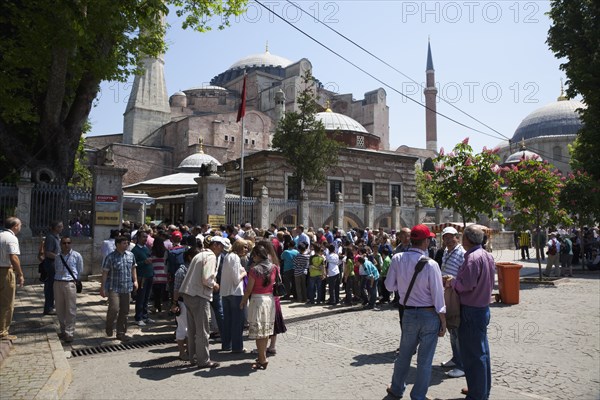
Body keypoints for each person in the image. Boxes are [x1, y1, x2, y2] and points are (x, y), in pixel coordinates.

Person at [384, 224, 446, 400]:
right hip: (429, 315)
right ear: (425, 241)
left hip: (409, 313)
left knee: (404, 355)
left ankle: (396, 388)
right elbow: (438, 295)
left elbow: (389, 286)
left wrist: (402, 287)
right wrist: (443, 320)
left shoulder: (397, 258)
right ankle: (418, 395)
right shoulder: (432, 264)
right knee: (424, 360)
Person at [445, 225, 495, 400]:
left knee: (473, 355)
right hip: (482, 309)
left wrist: (453, 282)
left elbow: (466, 285)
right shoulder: (486, 255)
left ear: (467, 239)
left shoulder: (473, 258)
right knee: (482, 353)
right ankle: (480, 389)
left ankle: (478, 394)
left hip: (471, 310)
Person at [178, 236, 225, 369]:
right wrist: (215, 284)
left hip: (189, 294)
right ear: (215, 245)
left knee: (193, 329)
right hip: (199, 294)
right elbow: (207, 279)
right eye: (221, 246)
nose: (222, 250)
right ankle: (203, 360)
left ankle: (193, 357)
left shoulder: (200, 254)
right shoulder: (210, 257)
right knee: (203, 330)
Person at [240, 241, 278, 370]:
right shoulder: (274, 267)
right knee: (265, 331)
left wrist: (243, 300)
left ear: (257, 255)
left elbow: (249, 289)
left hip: (257, 300)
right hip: (270, 300)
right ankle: (263, 357)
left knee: (258, 332)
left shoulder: (254, 270)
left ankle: (262, 359)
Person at [439, 226, 466, 379]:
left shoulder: (462, 253)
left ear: (457, 237)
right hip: (447, 292)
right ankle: (456, 358)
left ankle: (462, 364)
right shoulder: (446, 252)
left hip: (456, 294)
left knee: (457, 329)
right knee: (451, 328)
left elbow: (464, 275)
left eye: (450, 237)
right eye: (445, 237)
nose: (447, 240)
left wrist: (452, 281)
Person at [100, 236, 138, 342]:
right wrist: (102, 287)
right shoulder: (110, 257)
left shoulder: (131, 255)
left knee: (125, 311)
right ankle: (109, 325)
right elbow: (105, 273)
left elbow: (133, 268)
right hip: (114, 288)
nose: (126, 245)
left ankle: (121, 333)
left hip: (127, 288)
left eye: (127, 243)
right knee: (114, 309)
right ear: (117, 244)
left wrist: (135, 281)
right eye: (124, 243)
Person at [171, 247, 200, 360]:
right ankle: (182, 352)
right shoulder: (181, 271)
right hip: (182, 303)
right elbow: (176, 289)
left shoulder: (195, 268)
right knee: (182, 328)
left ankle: (189, 351)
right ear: (190, 257)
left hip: (194, 302)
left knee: (191, 329)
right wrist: (174, 303)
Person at [53, 236, 84, 342]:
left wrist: (74, 280)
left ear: (71, 244)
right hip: (57, 283)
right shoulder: (57, 257)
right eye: (64, 243)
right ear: (61, 244)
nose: (66, 245)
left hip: (70, 283)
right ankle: (63, 331)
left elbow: (80, 270)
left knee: (70, 309)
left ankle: (69, 333)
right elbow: (56, 269)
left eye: (68, 243)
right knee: (59, 308)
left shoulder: (77, 256)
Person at [220, 239, 248, 353]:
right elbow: (236, 279)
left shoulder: (227, 256)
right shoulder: (235, 258)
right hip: (235, 293)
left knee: (227, 321)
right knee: (237, 321)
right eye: (245, 247)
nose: (246, 249)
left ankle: (227, 345)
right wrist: (244, 273)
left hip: (225, 292)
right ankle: (237, 347)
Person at [0, 217, 25, 341]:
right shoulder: (11, 238)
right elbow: (13, 257)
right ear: (15, 226)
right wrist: (20, 273)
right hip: (5, 271)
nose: (20, 227)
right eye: (20, 225)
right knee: (7, 303)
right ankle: (3, 332)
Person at [131, 232, 154, 326]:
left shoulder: (146, 248)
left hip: (149, 275)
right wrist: (144, 262)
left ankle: (145, 316)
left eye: (146, 237)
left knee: (147, 298)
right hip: (142, 277)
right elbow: (133, 265)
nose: (145, 239)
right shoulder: (135, 250)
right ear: (138, 238)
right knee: (140, 298)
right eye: (143, 237)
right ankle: (138, 317)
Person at [43, 220, 64, 315]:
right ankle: (48, 308)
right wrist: (59, 258)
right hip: (51, 265)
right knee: (50, 287)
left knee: (53, 286)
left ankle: (51, 305)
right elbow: (48, 253)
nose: (62, 228)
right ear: (55, 228)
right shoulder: (51, 238)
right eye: (60, 226)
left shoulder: (56, 237)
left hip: (55, 264)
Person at [150, 237, 168, 313]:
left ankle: (157, 308)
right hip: (164, 274)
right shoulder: (166, 252)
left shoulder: (152, 252)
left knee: (156, 294)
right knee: (161, 294)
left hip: (155, 275)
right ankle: (159, 309)